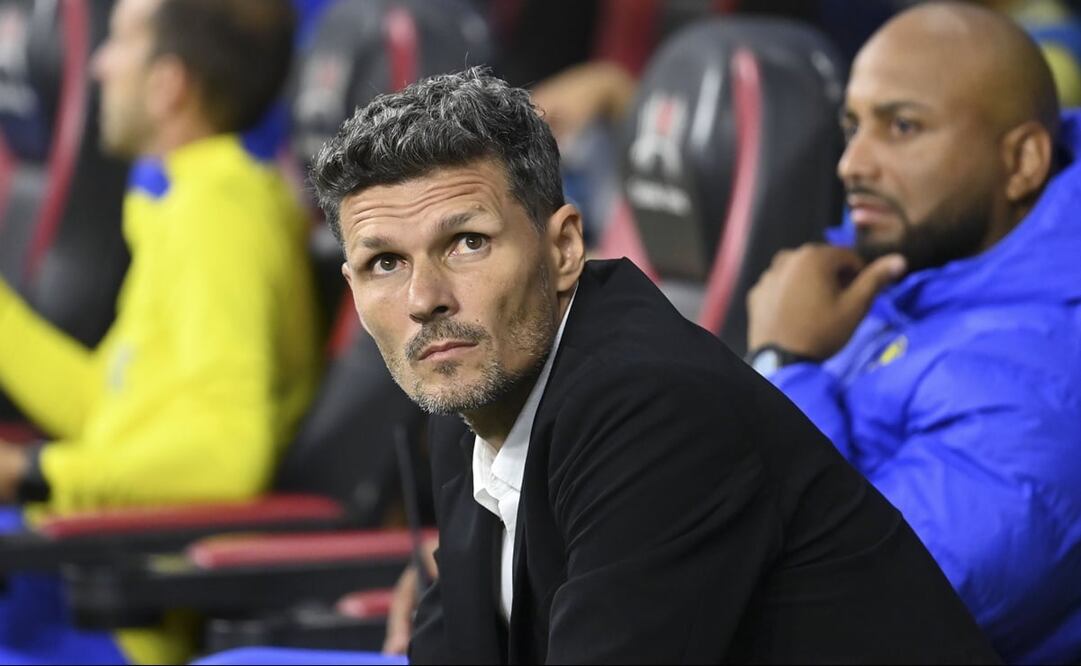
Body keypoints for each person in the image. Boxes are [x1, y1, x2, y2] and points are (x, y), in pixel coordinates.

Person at [309, 66, 999, 663]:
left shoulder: (653, 408)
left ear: (564, 249)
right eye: (385, 262)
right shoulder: (468, 387)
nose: (424, 299)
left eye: (467, 242)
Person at [746, 3, 1081, 663]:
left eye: (902, 126)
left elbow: (849, 616)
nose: (851, 164)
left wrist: (783, 364)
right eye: (852, 126)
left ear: (1022, 161)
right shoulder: (910, 259)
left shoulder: (1041, 388)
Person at [0, 0, 319, 663]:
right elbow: (106, 405)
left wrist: (35, 471)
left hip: (115, 622)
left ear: (169, 84)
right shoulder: (188, 199)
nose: (97, 65)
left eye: (119, 41)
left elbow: (227, 454)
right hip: (70, 574)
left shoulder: (219, 216)